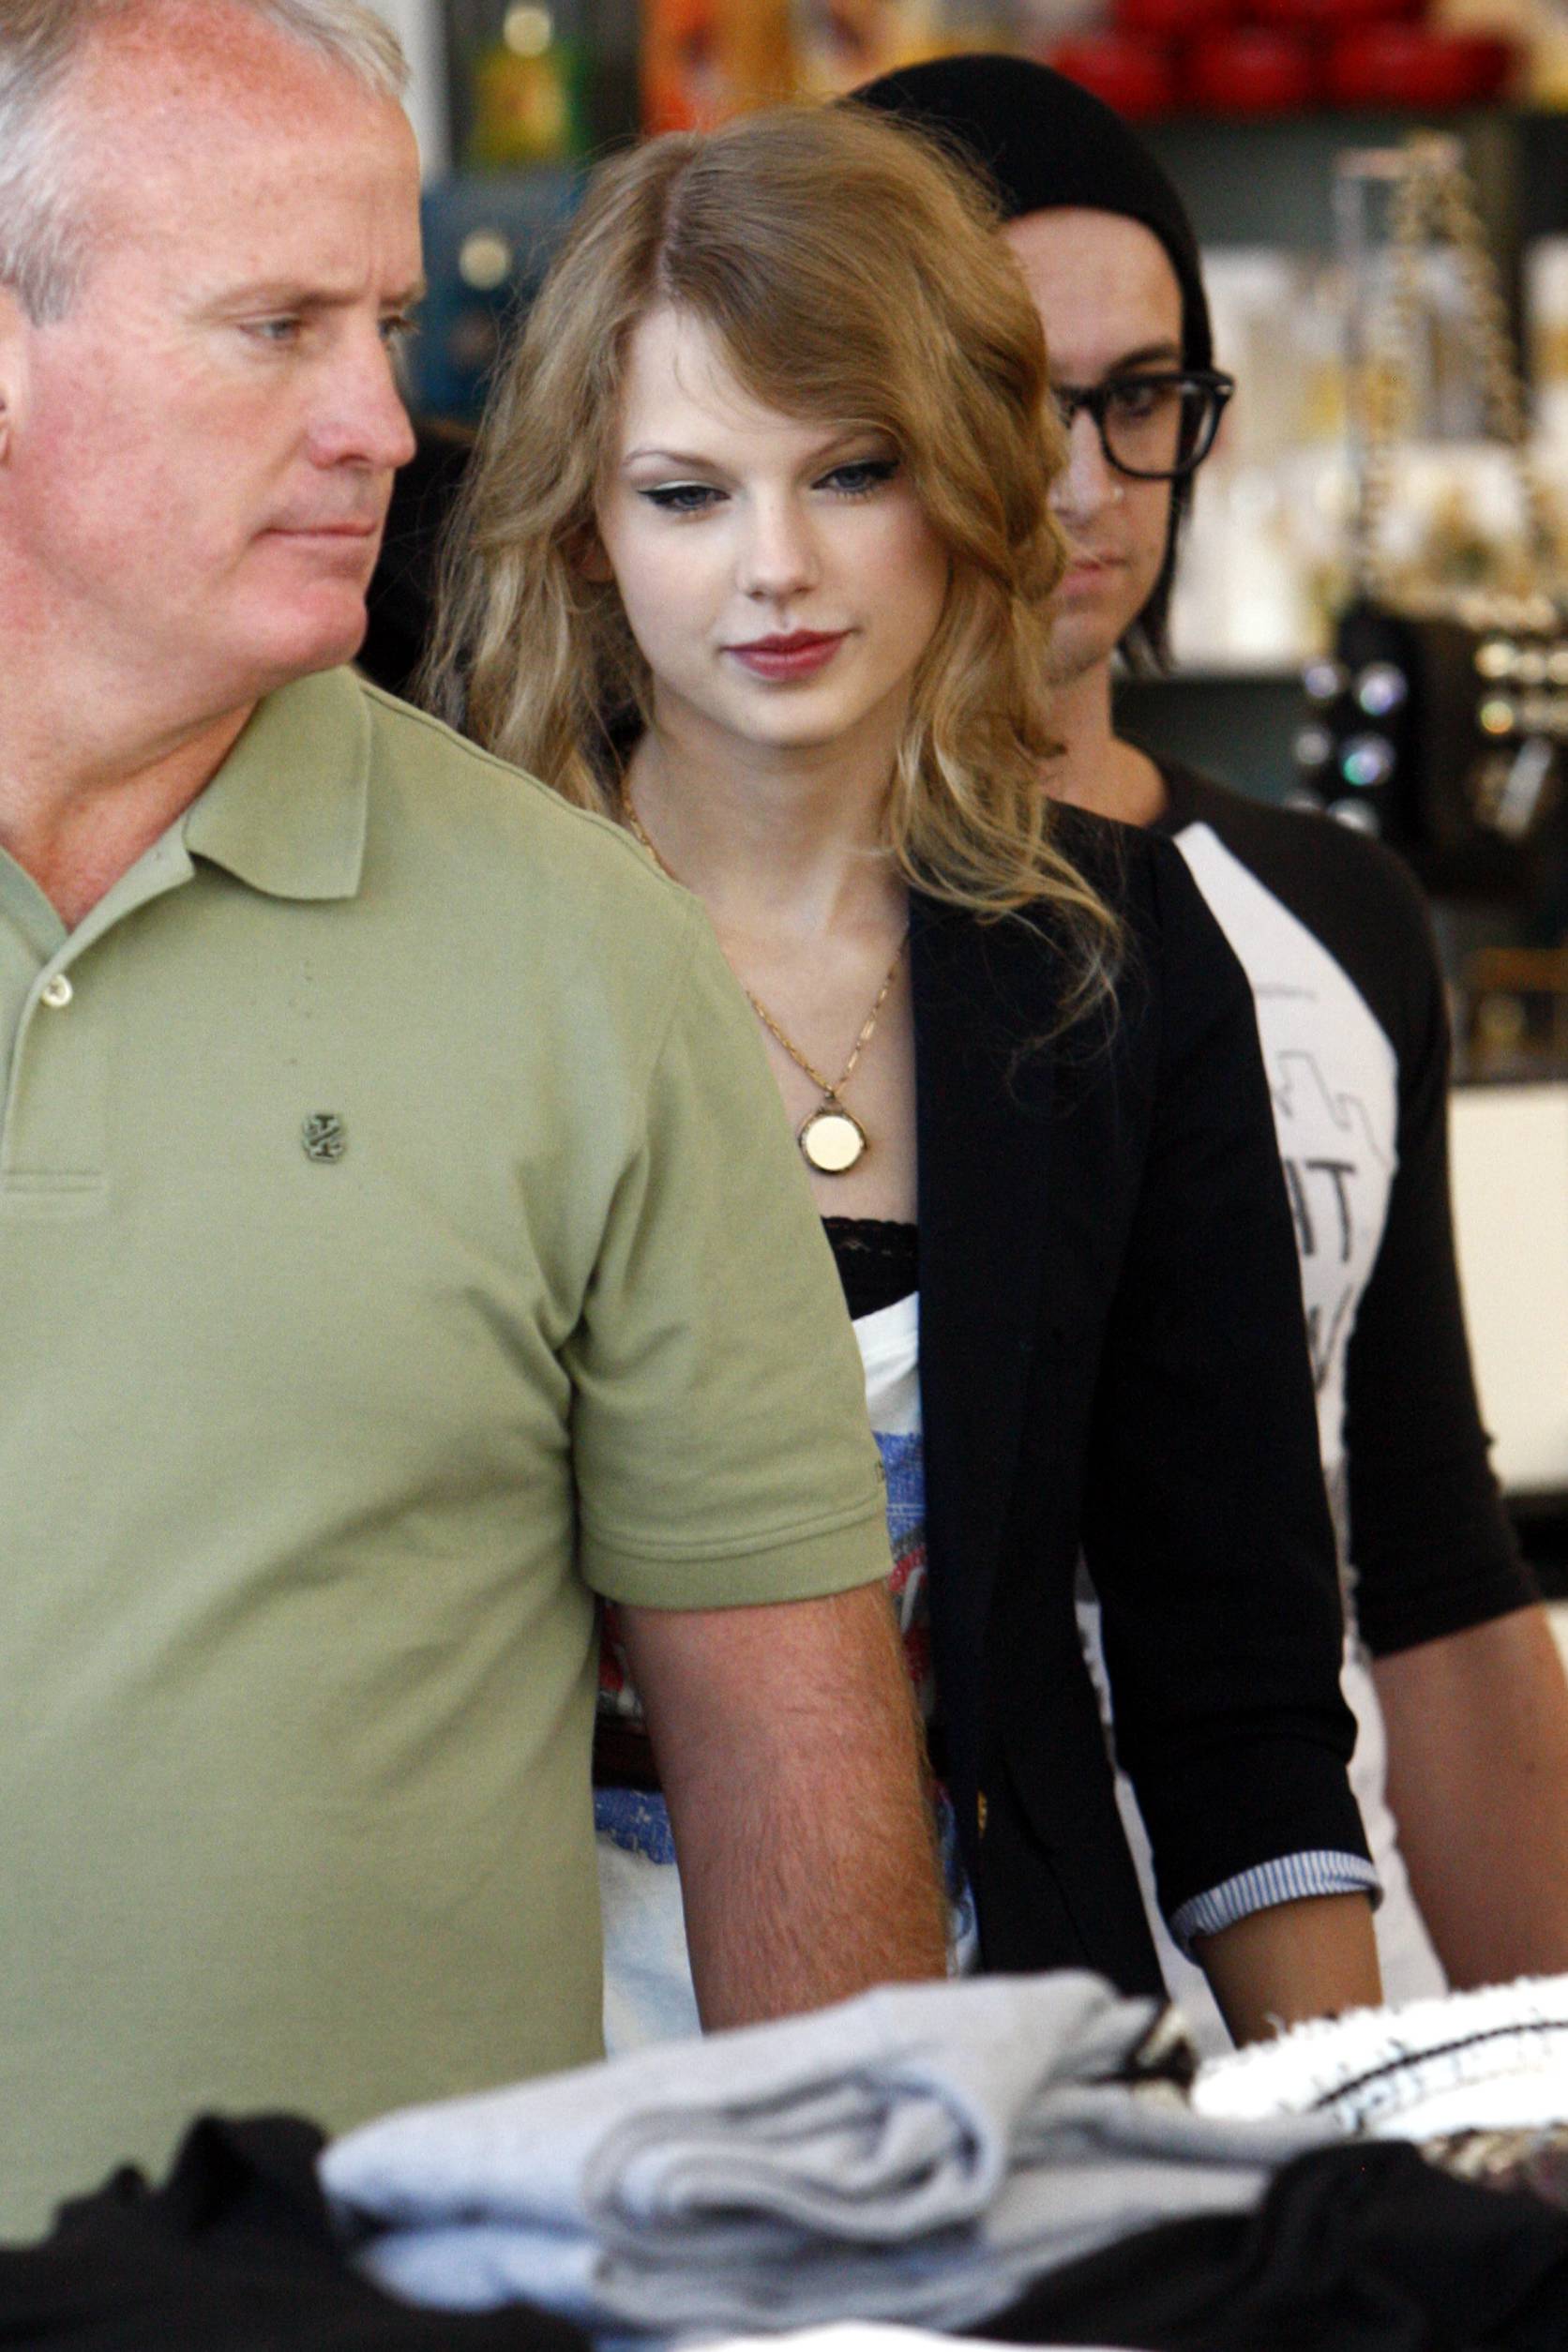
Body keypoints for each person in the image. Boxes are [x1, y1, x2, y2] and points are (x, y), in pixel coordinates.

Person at [0, 0, 952, 2240]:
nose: (375, 420)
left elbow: (792, 1771)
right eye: (276, 329)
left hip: (387, 2301)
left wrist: (859, 2288)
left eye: (389, 324)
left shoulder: (581, 955)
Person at [426, 99, 1384, 2056]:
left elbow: (1234, 1677)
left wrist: (1362, 2134)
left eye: (848, 472)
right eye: (686, 494)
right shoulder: (449, 945)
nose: (774, 568)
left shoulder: (1115, 954)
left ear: (959, 478)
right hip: (507, 2055)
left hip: (996, 2035)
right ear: (586, 531)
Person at [855, 52, 1568, 2038]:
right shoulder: (768, 933)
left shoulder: (1328, 909)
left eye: (1142, 395)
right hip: (963, 1993)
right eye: (1012, 392)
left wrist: (1514, 2077)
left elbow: (1425, 1563)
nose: (1084, 480)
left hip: (1323, 1963)